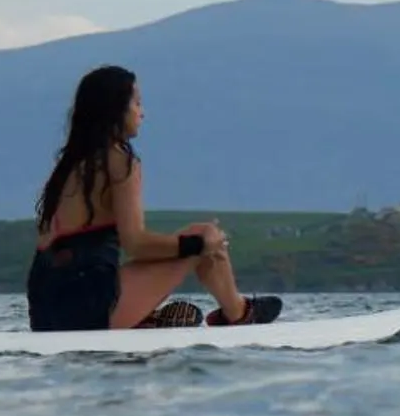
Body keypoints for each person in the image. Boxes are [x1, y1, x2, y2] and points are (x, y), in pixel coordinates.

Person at [27, 64, 281, 331]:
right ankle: (240, 315)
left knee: (196, 240)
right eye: (137, 103)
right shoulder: (119, 162)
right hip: (88, 309)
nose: (142, 112)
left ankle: (148, 319)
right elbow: (135, 244)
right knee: (204, 234)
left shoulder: (68, 167)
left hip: (43, 312)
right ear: (116, 109)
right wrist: (199, 245)